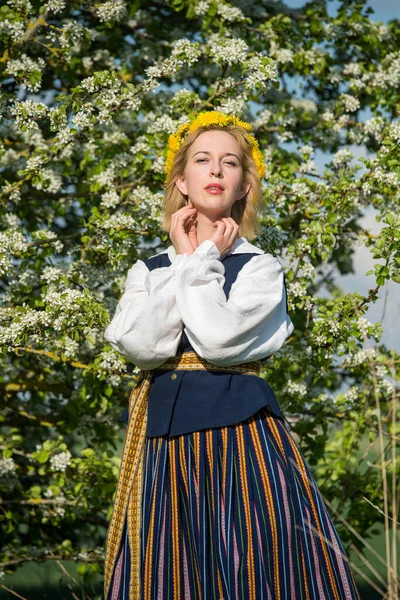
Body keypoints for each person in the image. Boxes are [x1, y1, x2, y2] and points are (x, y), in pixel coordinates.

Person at [103, 111, 361, 599]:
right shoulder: (151, 267)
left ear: (244, 186)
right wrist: (185, 260)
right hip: (165, 441)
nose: (216, 171)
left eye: (229, 163)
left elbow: (217, 341)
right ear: (182, 181)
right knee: (172, 572)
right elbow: (143, 346)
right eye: (202, 160)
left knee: (250, 564)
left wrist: (200, 262)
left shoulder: (260, 268)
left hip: (240, 437)